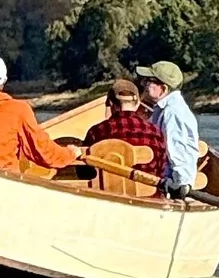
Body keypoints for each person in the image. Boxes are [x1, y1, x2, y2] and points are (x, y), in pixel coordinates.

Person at [135, 60, 198, 198]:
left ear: (163, 88)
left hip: (174, 185)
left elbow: (176, 150)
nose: (144, 84)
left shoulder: (173, 112)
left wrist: (181, 187)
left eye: (149, 81)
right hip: (165, 182)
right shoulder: (165, 108)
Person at [84, 77, 167, 179]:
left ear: (110, 103)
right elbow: (161, 169)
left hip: (108, 192)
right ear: (137, 104)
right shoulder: (155, 132)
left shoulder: (97, 131)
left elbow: (85, 172)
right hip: (148, 192)